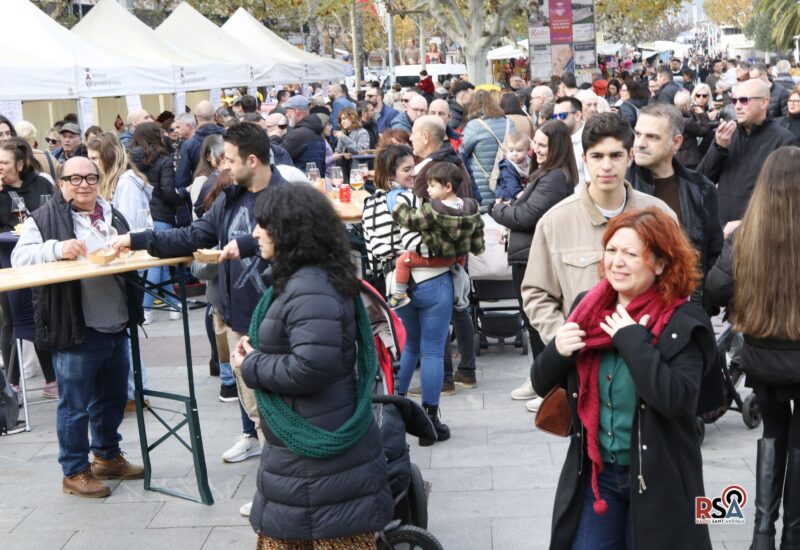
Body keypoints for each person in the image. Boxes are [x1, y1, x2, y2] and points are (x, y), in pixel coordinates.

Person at [112, 124, 290, 511]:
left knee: (278, 415)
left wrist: (245, 245)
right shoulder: (229, 196)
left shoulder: (287, 198)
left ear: (252, 160)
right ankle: (278, 491)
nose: (220, 164)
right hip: (239, 319)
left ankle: (280, 495)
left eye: (228, 158)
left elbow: (302, 243)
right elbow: (194, 236)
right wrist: (141, 239)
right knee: (260, 414)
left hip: (277, 322)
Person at [533, 207, 714, 550]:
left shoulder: (683, 322)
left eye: (631, 254)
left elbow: (677, 400)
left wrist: (633, 340)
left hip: (659, 480)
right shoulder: (588, 308)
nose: (617, 262)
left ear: (660, 264)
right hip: (597, 477)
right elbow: (541, 383)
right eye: (612, 250)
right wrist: (557, 351)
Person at [235, 182, 392, 549]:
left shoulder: (309, 287)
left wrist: (253, 364)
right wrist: (256, 350)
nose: (255, 233)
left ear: (290, 230)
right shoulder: (308, 279)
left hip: (317, 457)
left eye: (264, 224)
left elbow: (311, 367)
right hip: (308, 454)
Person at [520, 113, 677, 412]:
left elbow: (678, 283)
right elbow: (537, 292)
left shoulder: (659, 215)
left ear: (630, 156)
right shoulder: (555, 221)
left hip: (649, 360)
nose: (607, 166)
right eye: (598, 156)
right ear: (584, 159)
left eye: (616, 155)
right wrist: (561, 337)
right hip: (585, 369)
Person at [12, 156, 145, 498]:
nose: (84, 184)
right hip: (75, 326)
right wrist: (56, 248)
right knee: (75, 405)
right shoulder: (44, 219)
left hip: (115, 321)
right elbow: (19, 259)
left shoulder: (113, 214)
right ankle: (73, 471)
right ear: (61, 184)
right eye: (75, 178)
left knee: (113, 399)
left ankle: (107, 456)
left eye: (90, 177)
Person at [706, 146, 800, 550]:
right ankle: (794, 535)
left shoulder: (747, 235)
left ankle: (762, 532)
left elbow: (714, 288)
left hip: (761, 354)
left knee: (773, 430)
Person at [491, 122, 577, 405]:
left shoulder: (554, 178)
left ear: (557, 147)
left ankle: (550, 386)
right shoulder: (548, 174)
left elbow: (526, 216)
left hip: (533, 257)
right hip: (527, 254)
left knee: (540, 321)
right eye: (535, 144)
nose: (535, 150)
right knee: (533, 322)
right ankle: (541, 378)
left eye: (542, 145)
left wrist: (499, 209)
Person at [628, 103, 723, 313]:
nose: (640, 144)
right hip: (632, 311)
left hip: (685, 311)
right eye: (638, 134)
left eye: (652, 137)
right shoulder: (621, 187)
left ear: (676, 142)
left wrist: (702, 308)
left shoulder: (701, 189)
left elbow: (713, 254)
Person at [697, 79, 797, 235]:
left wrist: (749, 222)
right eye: (734, 100)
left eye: (744, 100)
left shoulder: (784, 140)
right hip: (721, 230)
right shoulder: (728, 134)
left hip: (759, 234)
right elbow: (703, 179)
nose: (737, 106)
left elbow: (787, 197)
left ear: (764, 102)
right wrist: (719, 148)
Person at [388, 162, 484, 309]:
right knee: (461, 256)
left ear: (448, 187)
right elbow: (477, 232)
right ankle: (458, 277)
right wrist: (477, 248)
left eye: (432, 186)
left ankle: (400, 294)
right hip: (457, 258)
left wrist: (397, 208)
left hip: (437, 257)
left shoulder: (434, 210)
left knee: (403, 261)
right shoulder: (471, 207)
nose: (428, 189)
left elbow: (413, 219)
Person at [461, 89, 509, 202]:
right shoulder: (508, 123)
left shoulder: (474, 126)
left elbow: (462, 151)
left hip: (483, 184)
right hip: (507, 182)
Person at [175, 101, 223, 190]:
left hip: (202, 193)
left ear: (195, 117)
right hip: (229, 191)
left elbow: (181, 181)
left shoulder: (188, 145)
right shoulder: (230, 137)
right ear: (215, 116)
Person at [280, 96, 327, 175]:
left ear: (296, 111)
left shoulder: (299, 134)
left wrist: (275, 135)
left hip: (301, 183)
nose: (286, 115)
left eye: (288, 111)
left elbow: (277, 155)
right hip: (314, 181)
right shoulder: (315, 130)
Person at [552, 96, 589, 190]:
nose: (557, 120)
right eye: (554, 116)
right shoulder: (555, 138)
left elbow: (591, 181)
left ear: (577, 115)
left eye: (562, 115)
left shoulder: (589, 140)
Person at [672, 90, 710, 170]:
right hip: (689, 160)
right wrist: (703, 114)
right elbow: (704, 131)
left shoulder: (671, 117)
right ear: (686, 106)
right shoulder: (687, 122)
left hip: (675, 157)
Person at [494, 131, 531, 201]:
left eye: (519, 151)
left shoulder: (529, 161)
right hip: (507, 196)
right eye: (511, 151)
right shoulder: (507, 166)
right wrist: (518, 193)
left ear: (527, 150)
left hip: (522, 191)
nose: (515, 154)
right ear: (506, 150)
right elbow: (511, 183)